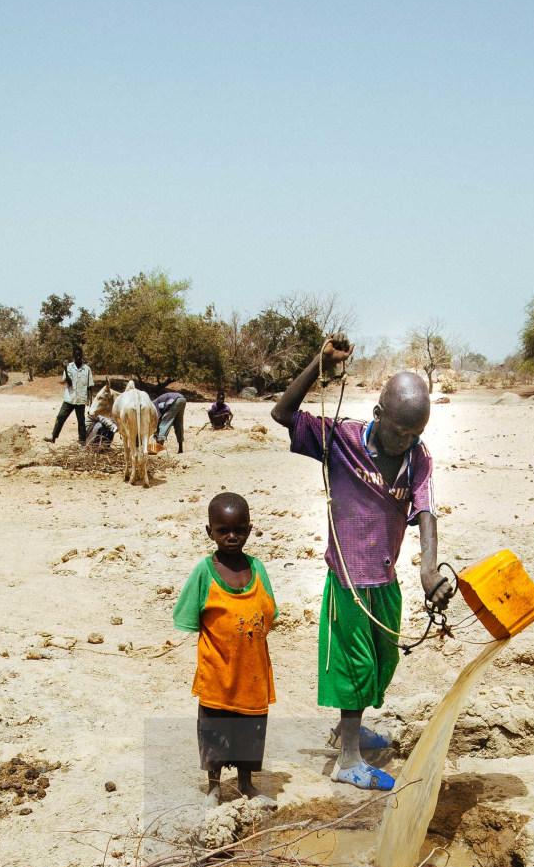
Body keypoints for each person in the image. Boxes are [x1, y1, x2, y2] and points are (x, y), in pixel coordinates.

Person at [272, 339, 451, 791]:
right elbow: (282, 414)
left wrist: (428, 571)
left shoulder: (417, 457)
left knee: (381, 664)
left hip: (385, 580)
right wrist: (319, 364)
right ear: (377, 414)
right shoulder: (341, 439)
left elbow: (425, 511)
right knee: (354, 669)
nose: (407, 442)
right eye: (400, 432)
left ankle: (346, 729)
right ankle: (349, 758)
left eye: (417, 434)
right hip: (349, 583)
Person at [173, 492, 277, 806]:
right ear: (210, 532)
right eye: (223, 531)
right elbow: (189, 616)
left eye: (240, 530)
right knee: (214, 727)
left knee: (250, 729)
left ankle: (246, 784)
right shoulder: (204, 572)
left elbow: (269, 610)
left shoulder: (258, 569)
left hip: (252, 672)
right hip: (217, 671)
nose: (232, 537)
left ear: (249, 528)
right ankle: (214, 787)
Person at [46, 344, 93, 443]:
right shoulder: (69, 367)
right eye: (76, 356)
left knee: (81, 421)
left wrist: (90, 401)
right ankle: (53, 437)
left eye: (80, 355)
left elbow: (90, 386)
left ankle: (82, 440)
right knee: (60, 417)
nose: (78, 357)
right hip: (69, 398)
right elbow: (69, 382)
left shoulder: (87, 369)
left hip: (81, 399)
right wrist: (65, 369)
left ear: (82, 355)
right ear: (73, 356)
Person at [151, 387, 186, 453]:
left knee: (165, 423)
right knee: (178, 423)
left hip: (175, 400)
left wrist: (158, 431)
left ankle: (159, 447)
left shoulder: (154, 405)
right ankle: (180, 449)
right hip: (182, 399)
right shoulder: (157, 401)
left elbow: (160, 419)